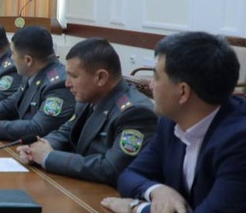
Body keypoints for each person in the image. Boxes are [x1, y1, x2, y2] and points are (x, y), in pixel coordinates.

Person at [102, 32, 246, 213]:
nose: (151, 85)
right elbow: (129, 176)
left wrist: (136, 208)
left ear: (183, 92)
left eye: (156, 77)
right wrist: (158, 191)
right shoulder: (171, 122)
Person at [17, 38, 157, 186]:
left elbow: (110, 169)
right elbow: (65, 133)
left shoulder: (135, 113)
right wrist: (38, 147)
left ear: (101, 77)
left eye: (74, 76)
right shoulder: (88, 98)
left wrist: (48, 157)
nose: (67, 83)